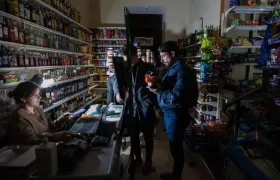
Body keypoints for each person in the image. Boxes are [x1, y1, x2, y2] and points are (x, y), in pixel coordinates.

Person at [150, 41, 198, 180]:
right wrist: (158, 81)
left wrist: (159, 91)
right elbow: (170, 86)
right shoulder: (173, 68)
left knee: (176, 148)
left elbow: (175, 97)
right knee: (174, 147)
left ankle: (176, 177)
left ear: (172, 54)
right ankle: (175, 174)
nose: (162, 59)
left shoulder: (181, 70)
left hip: (176, 115)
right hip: (171, 114)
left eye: (164, 56)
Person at [118, 44, 158, 175]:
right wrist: (118, 94)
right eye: (124, 59)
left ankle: (149, 161)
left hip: (146, 108)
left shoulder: (148, 67)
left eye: (127, 59)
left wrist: (151, 96)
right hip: (131, 109)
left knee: (148, 137)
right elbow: (116, 82)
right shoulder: (124, 68)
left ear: (135, 56)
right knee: (134, 136)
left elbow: (156, 86)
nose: (126, 61)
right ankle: (138, 159)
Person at [7, 81, 72, 145]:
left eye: (39, 94)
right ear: (23, 99)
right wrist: (56, 137)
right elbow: (31, 142)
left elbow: (51, 128)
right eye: (35, 95)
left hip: (48, 149)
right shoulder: (19, 117)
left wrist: (63, 119)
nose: (39, 97)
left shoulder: (37, 109)